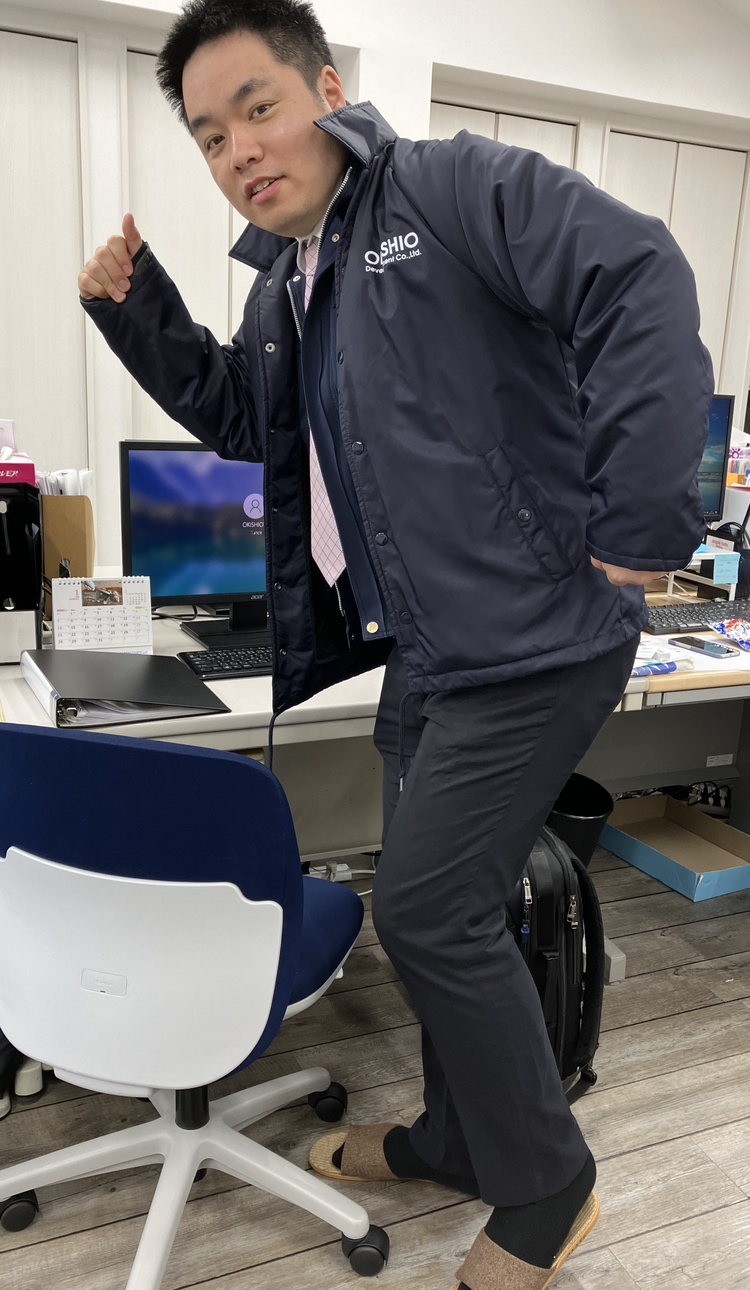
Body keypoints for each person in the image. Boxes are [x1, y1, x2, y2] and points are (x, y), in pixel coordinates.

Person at [77, 2, 713, 1285]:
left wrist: (647, 518)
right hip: (432, 647)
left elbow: (639, 272)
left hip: (539, 638)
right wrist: (140, 311)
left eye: (258, 108)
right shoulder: (288, 282)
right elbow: (248, 420)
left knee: (425, 908)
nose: (240, 149)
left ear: (327, 91)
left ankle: (549, 1187)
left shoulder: (449, 188)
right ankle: (456, 1138)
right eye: (210, 136)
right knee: (445, 909)